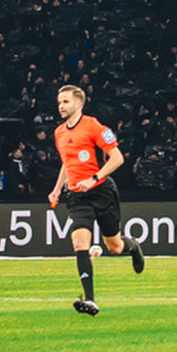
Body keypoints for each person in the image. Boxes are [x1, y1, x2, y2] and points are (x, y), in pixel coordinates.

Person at [49, 87, 137, 315]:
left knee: (114, 247)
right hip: (77, 195)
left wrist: (95, 177)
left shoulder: (94, 126)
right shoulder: (59, 132)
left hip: (101, 191)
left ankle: (133, 246)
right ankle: (90, 300)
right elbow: (67, 164)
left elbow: (117, 158)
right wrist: (57, 189)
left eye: (66, 101)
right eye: (59, 101)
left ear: (78, 104)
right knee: (80, 243)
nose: (61, 106)